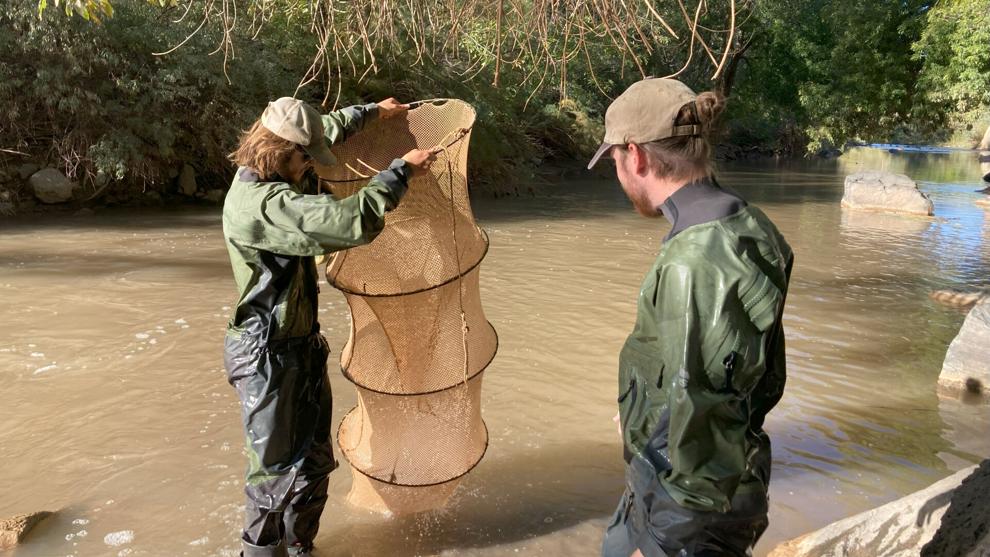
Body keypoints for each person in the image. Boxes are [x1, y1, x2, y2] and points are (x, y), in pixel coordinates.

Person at [221, 96, 435, 557]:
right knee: (273, 475)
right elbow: (347, 221)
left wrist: (375, 112)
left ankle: (302, 549)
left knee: (314, 465)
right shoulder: (262, 203)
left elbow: (326, 127)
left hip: (299, 345)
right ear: (280, 152)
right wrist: (399, 172)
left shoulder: (279, 166)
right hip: (266, 356)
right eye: (306, 158)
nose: (310, 166)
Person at [588, 78, 793, 556]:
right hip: (701, 481)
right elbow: (741, 375)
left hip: (689, 509)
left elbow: (697, 410)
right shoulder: (747, 223)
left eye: (615, 161)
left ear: (635, 155)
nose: (618, 174)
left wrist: (664, 542)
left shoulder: (694, 260)